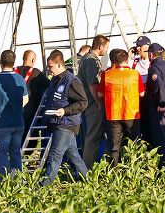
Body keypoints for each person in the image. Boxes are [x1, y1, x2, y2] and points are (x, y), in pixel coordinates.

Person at [38, 50, 89, 187]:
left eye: (50, 67)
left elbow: (83, 102)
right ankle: (89, 182)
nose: (48, 70)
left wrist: (65, 111)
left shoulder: (71, 81)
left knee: (54, 156)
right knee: (73, 155)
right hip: (58, 123)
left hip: (67, 124)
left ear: (59, 65)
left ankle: (41, 188)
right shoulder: (55, 79)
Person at [0, 50, 29, 177]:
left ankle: (3, 182)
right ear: (14, 62)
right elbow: (26, 99)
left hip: (2, 123)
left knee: (1, 154)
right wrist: (15, 108)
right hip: (18, 122)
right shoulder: (20, 78)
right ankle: (17, 182)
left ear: (0, 63)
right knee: (16, 153)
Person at [98, 49, 143, 166]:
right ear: (128, 60)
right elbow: (142, 93)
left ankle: (114, 172)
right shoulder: (135, 74)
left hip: (113, 114)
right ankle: (134, 168)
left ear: (114, 61)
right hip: (131, 113)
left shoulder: (106, 74)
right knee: (134, 143)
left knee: (114, 145)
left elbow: (100, 94)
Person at [79, 35, 110, 169]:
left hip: (89, 101)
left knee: (95, 135)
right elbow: (93, 84)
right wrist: (99, 103)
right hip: (92, 103)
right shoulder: (91, 60)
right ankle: (88, 169)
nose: (106, 50)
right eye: (106, 47)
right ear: (101, 47)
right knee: (93, 137)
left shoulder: (88, 58)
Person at [17, 50, 50, 140]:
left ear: (23, 58)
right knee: (30, 136)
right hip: (30, 111)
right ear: (33, 60)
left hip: (14, 110)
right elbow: (49, 85)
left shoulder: (14, 71)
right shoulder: (36, 73)